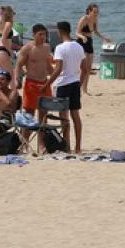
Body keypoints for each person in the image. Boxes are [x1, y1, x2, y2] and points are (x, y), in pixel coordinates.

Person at [48, 21, 85, 153]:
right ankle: (78, 146)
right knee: (76, 115)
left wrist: (47, 83)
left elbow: (58, 69)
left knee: (64, 117)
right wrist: (79, 83)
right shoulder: (79, 46)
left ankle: (67, 146)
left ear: (59, 31)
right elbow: (85, 68)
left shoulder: (60, 48)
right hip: (75, 83)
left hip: (63, 84)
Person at [76, 3, 112, 96]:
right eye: (94, 12)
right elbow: (77, 32)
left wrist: (104, 38)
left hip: (89, 42)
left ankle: (85, 90)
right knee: (82, 68)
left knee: (88, 68)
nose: (96, 13)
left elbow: (95, 31)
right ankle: (78, 89)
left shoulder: (95, 19)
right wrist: (82, 37)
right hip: (81, 42)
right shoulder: (84, 19)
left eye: (97, 12)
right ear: (89, 11)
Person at [0, 5, 17, 78]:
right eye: (12, 14)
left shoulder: (1, 23)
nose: (13, 16)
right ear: (9, 14)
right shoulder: (8, 24)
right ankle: (13, 89)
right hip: (3, 49)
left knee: (4, 74)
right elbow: (3, 39)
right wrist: (10, 51)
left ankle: (2, 88)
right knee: (11, 74)